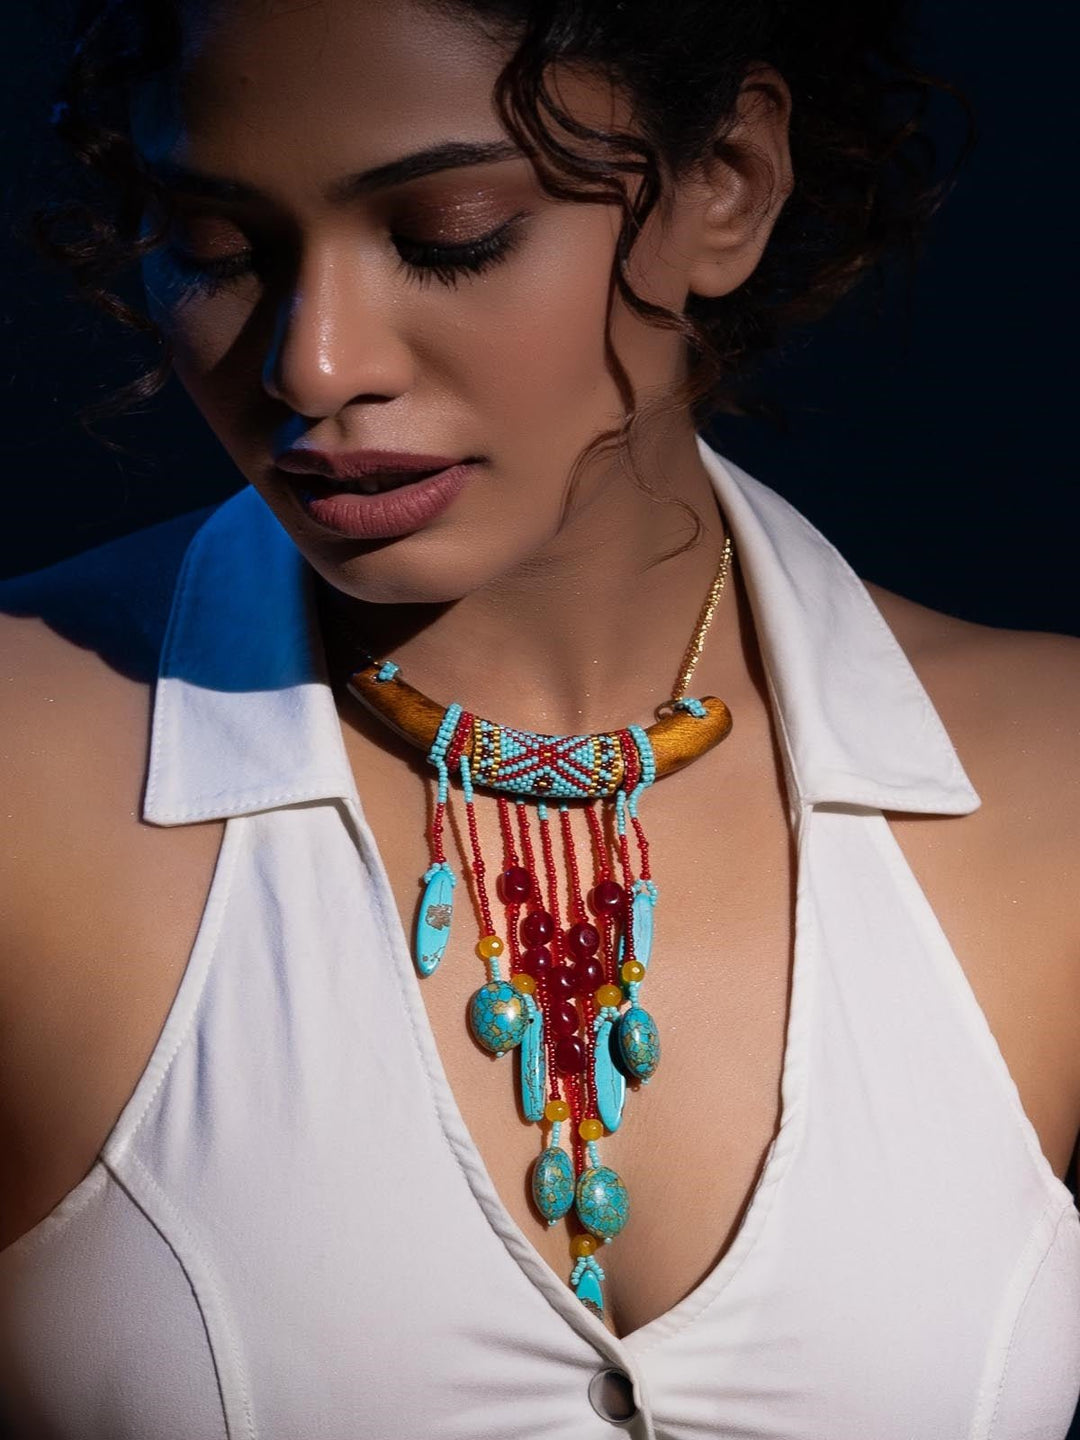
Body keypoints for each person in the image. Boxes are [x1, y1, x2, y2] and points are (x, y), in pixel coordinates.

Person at [1, 1, 1078, 1436]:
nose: (314, 365)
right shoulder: (27, 771)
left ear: (726, 184)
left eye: (450, 236)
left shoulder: (1053, 783)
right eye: (215, 249)